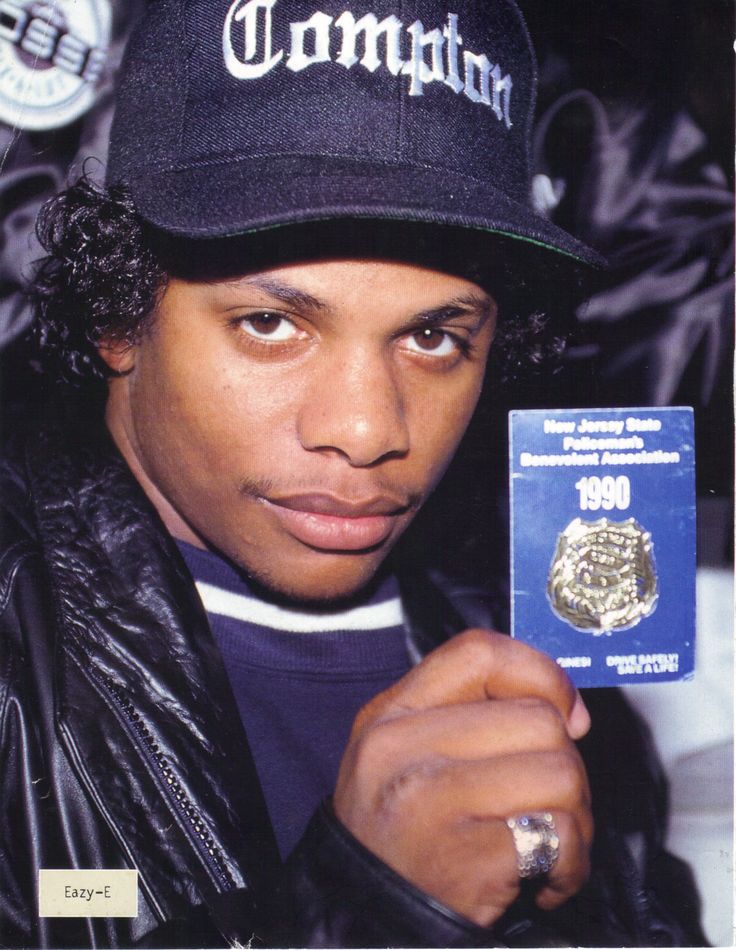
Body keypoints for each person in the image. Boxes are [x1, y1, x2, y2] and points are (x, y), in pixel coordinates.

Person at [0, 0, 706, 946]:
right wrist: (363, 911)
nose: (368, 430)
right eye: (271, 324)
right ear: (117, 314)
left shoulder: (544, 646)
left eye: (431, 336)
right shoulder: (19, 652)